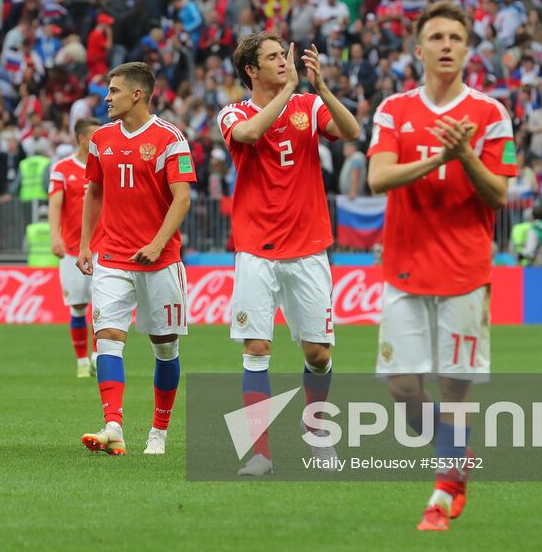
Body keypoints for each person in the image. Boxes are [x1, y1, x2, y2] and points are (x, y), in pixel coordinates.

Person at [366, 1, 518, 532]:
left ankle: (444, 492)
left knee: (454, 388)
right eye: (437, 37)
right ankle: (455, 453)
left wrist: (466, 155)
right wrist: (439, 157)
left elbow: (499, 194)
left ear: (468, 49)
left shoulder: (490, 113)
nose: (447, 45)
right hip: (405, 269)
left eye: (456, 37)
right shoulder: (394, 110)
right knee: (404, 390)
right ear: (419, 49)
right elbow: (378, 179)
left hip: (464, 271)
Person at [217, 32, 361, 476]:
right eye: (274, 57)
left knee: (318, 354)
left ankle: (315, 429)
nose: (283, 62)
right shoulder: (233, 112)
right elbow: (252, 132)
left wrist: (319, 89)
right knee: (257, 347)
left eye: (285, 56)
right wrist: (287, 92)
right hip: (256, 249)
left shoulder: (309, 106)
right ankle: (260, 452)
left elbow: (353, 131)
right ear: (251, 71)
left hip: (308, 248)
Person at [76, 62, 196, 457]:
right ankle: (113, 425)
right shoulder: (101, 139)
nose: (106, 98)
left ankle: (158, 433)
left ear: (136, 94)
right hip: (112, 256)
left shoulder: (169, 139)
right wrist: (85, 244)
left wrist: (159, 243)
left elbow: (182, 198)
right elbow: (93, 191)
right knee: (108, 338)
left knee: (165, 348)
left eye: (112, 91)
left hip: (160, 260)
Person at [48, 117, 102, 378]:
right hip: (72, 249)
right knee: (79, 307)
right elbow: (55, 204)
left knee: (103, 306)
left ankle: (96, 357)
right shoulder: (62, 168)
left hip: (104, 247)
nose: (100, 140)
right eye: (95, 135)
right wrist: (55, 236)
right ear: (82, 138)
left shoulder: (106, 165)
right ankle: (82, 361)